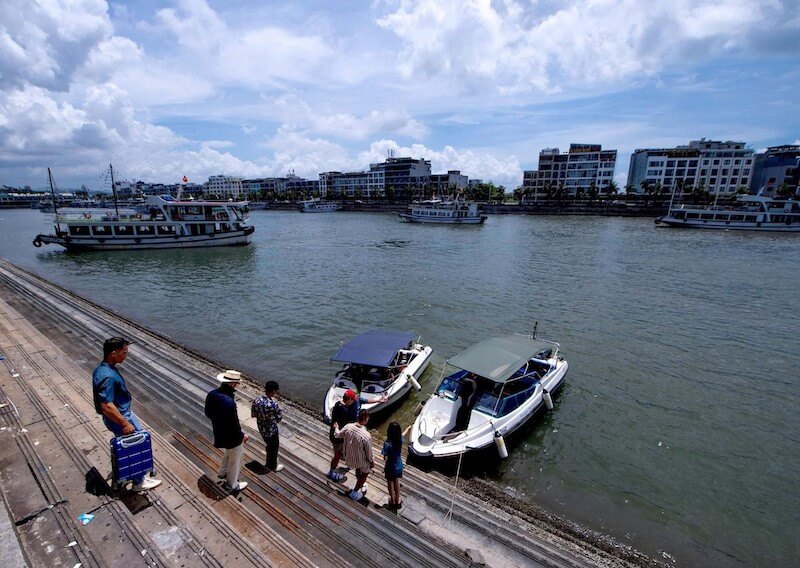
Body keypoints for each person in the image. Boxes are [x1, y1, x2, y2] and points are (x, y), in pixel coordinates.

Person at [93, 336, 162, 491]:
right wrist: (124, 423)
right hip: (121, 417)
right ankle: (139, 482)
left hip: (118, 416)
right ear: (113, 353)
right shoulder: (108, 376)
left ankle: (124, 475)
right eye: (124, 352)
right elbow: (106, 405)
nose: (126, 355)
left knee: (128, 446)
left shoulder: (100, 369)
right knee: (136, 446)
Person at [205, 369, 250, 492]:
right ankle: (232, 484)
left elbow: (207, 413)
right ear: (231, 384)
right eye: (236, 382)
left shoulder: (212, 394)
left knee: (228, 452)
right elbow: (234, 425)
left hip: (219, 431)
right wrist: (242, 436)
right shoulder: (229, 402)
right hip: (232, 436)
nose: (237, 385)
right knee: (236, 458)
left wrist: (218, 421)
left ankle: (223, 472)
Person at [333, 409, 372, 500]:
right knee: (365, 473)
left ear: (357, 417)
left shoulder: (348, 427)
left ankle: (360, 483)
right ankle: (354, 492)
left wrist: (336, 427)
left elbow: (337, 435)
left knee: (359, 468)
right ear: (366, 420)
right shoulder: (366, 436)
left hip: (348, 458)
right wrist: (371, 462)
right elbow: (369, 454)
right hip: (359, 461)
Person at [251, 380, 284, 473]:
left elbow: (253, 414)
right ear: (273, 391)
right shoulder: (273, 404)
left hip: (261, 427)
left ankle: (270, 457)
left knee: (268, 444)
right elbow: (279, 418)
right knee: (274, 446)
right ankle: (272, 466)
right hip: (271, 429)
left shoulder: (256, 400)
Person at [327, 389, 360, 481]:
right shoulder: (346, 411)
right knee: (337, 455)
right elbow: (353, 419)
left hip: (335, 434)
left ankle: (348, 464)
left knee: (345, 452)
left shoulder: (338, 404)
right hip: (338, 437)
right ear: (349, 399)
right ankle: (331, 473)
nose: (354, 401)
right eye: (352, 400)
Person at [381, 422, 411, 510]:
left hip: (390, 467)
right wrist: (408, 428)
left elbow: (385, 458)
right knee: (396, 481)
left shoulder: (387, 444)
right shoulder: (400, 439)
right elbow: (404, 434)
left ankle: (392, 500)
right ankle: (398, 499)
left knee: (390, 482)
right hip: (399, 466)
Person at [443, 376, 478, 440]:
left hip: (466, 402)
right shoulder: (464, 407)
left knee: (463, 415)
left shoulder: (464, 407)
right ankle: (451, 434)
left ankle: (452, 434)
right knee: (462, 418)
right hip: (466, 403)